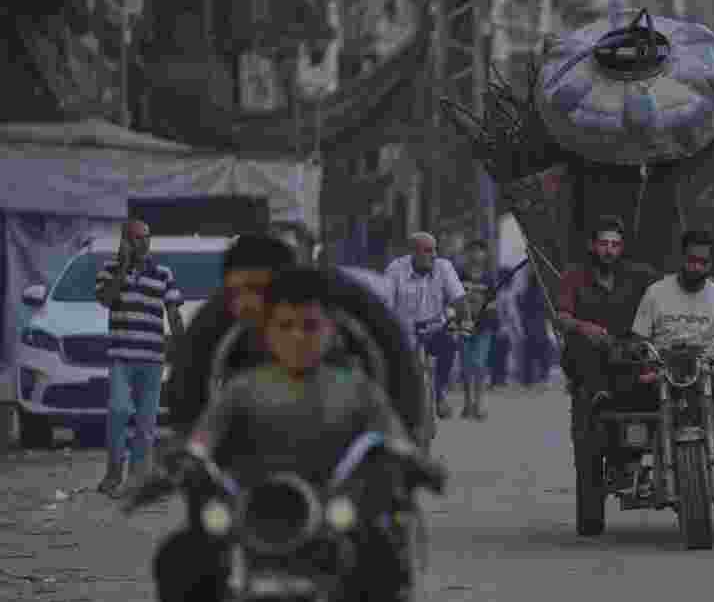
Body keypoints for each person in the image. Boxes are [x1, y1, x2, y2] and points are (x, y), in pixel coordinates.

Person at [154, 268, 415, 602]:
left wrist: (411, 459)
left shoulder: (359, 390)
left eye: (309, 326)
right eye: (285, 326)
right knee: (179, 560)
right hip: (250, 509)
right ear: (266, 333)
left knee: (383, 562)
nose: (297, 337)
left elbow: (394, 437)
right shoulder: (240, 389)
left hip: (334, 509)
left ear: (330, 330)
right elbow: (203, 440)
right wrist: (184, 460)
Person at [556, 215, 660, 535]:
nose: (609, 250)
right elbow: (561, 316)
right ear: (592, 246)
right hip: (590, 364)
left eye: (615, 244)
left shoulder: (638, 275)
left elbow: (669, 288)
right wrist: (582, 327)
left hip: (629, 359)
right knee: (588, 432)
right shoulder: (575, 276)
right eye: (604, 243)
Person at [165, 234, 297, 436]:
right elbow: (184, 407)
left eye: (256, 289)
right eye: (235, 292)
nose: (244, 304)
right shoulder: (210, 325)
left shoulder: (334, 319)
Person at [95, 220, 185, 498]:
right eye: (137, 238)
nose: (144, 243)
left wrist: (183, 349)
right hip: (121, 357)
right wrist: (122, 267)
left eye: (147, 237)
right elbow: (107, 299)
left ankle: (135, 478)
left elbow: (173, 314)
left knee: (146, 423)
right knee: (119, 411)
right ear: (124, 241)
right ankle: (113, 473)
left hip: (152, 358)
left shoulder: (162, 273)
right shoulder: (108, 271)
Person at [386, 232, 468, 419]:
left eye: (435, 250)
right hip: (404, 329)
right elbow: (385, 303)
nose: (434, 255)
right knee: (397, 362)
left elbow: (459, 300)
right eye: (428, 251)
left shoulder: (444, 267)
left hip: (434, 326)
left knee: (449, 344)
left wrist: (465, 324)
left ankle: (439, 394)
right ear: (413, 253)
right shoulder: (395, 270)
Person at [631, 229, 714, 354]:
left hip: (708, 369)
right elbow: (639, 341)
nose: (697, 267)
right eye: (692, 260)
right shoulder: (655, 293)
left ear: (711, 263)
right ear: (681, 258)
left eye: (703, 262)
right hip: (662, 368)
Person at [457, 239, 498, 419]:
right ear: (467, 254)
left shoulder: (489, 279)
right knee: (466, 367)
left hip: (483, 328)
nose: (476, 255)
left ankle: (479, 405)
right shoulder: (459, 276)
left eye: (480, 251)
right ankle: (467, 404)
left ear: (485, 255)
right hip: (463, 326)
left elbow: (493, 304)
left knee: (479, 365)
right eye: (473, 251)